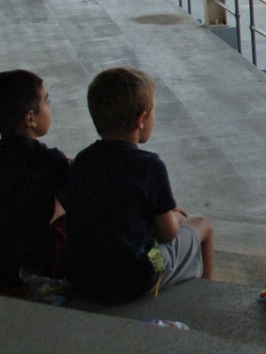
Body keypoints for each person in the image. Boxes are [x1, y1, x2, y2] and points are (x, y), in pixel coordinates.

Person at [66, 67, 215, 306]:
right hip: (137, 276)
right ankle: (206, 297)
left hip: (84, 278)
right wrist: (176, 217)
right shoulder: (149, 166)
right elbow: (168, 234)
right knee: (202, 226)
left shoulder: (83, 160)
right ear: (141, 120)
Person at [0, 71, 69, 294]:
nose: (50, 107)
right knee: (69, 217)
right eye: (47, 101)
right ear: (31, 118)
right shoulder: (49, 160)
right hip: (28, 272)